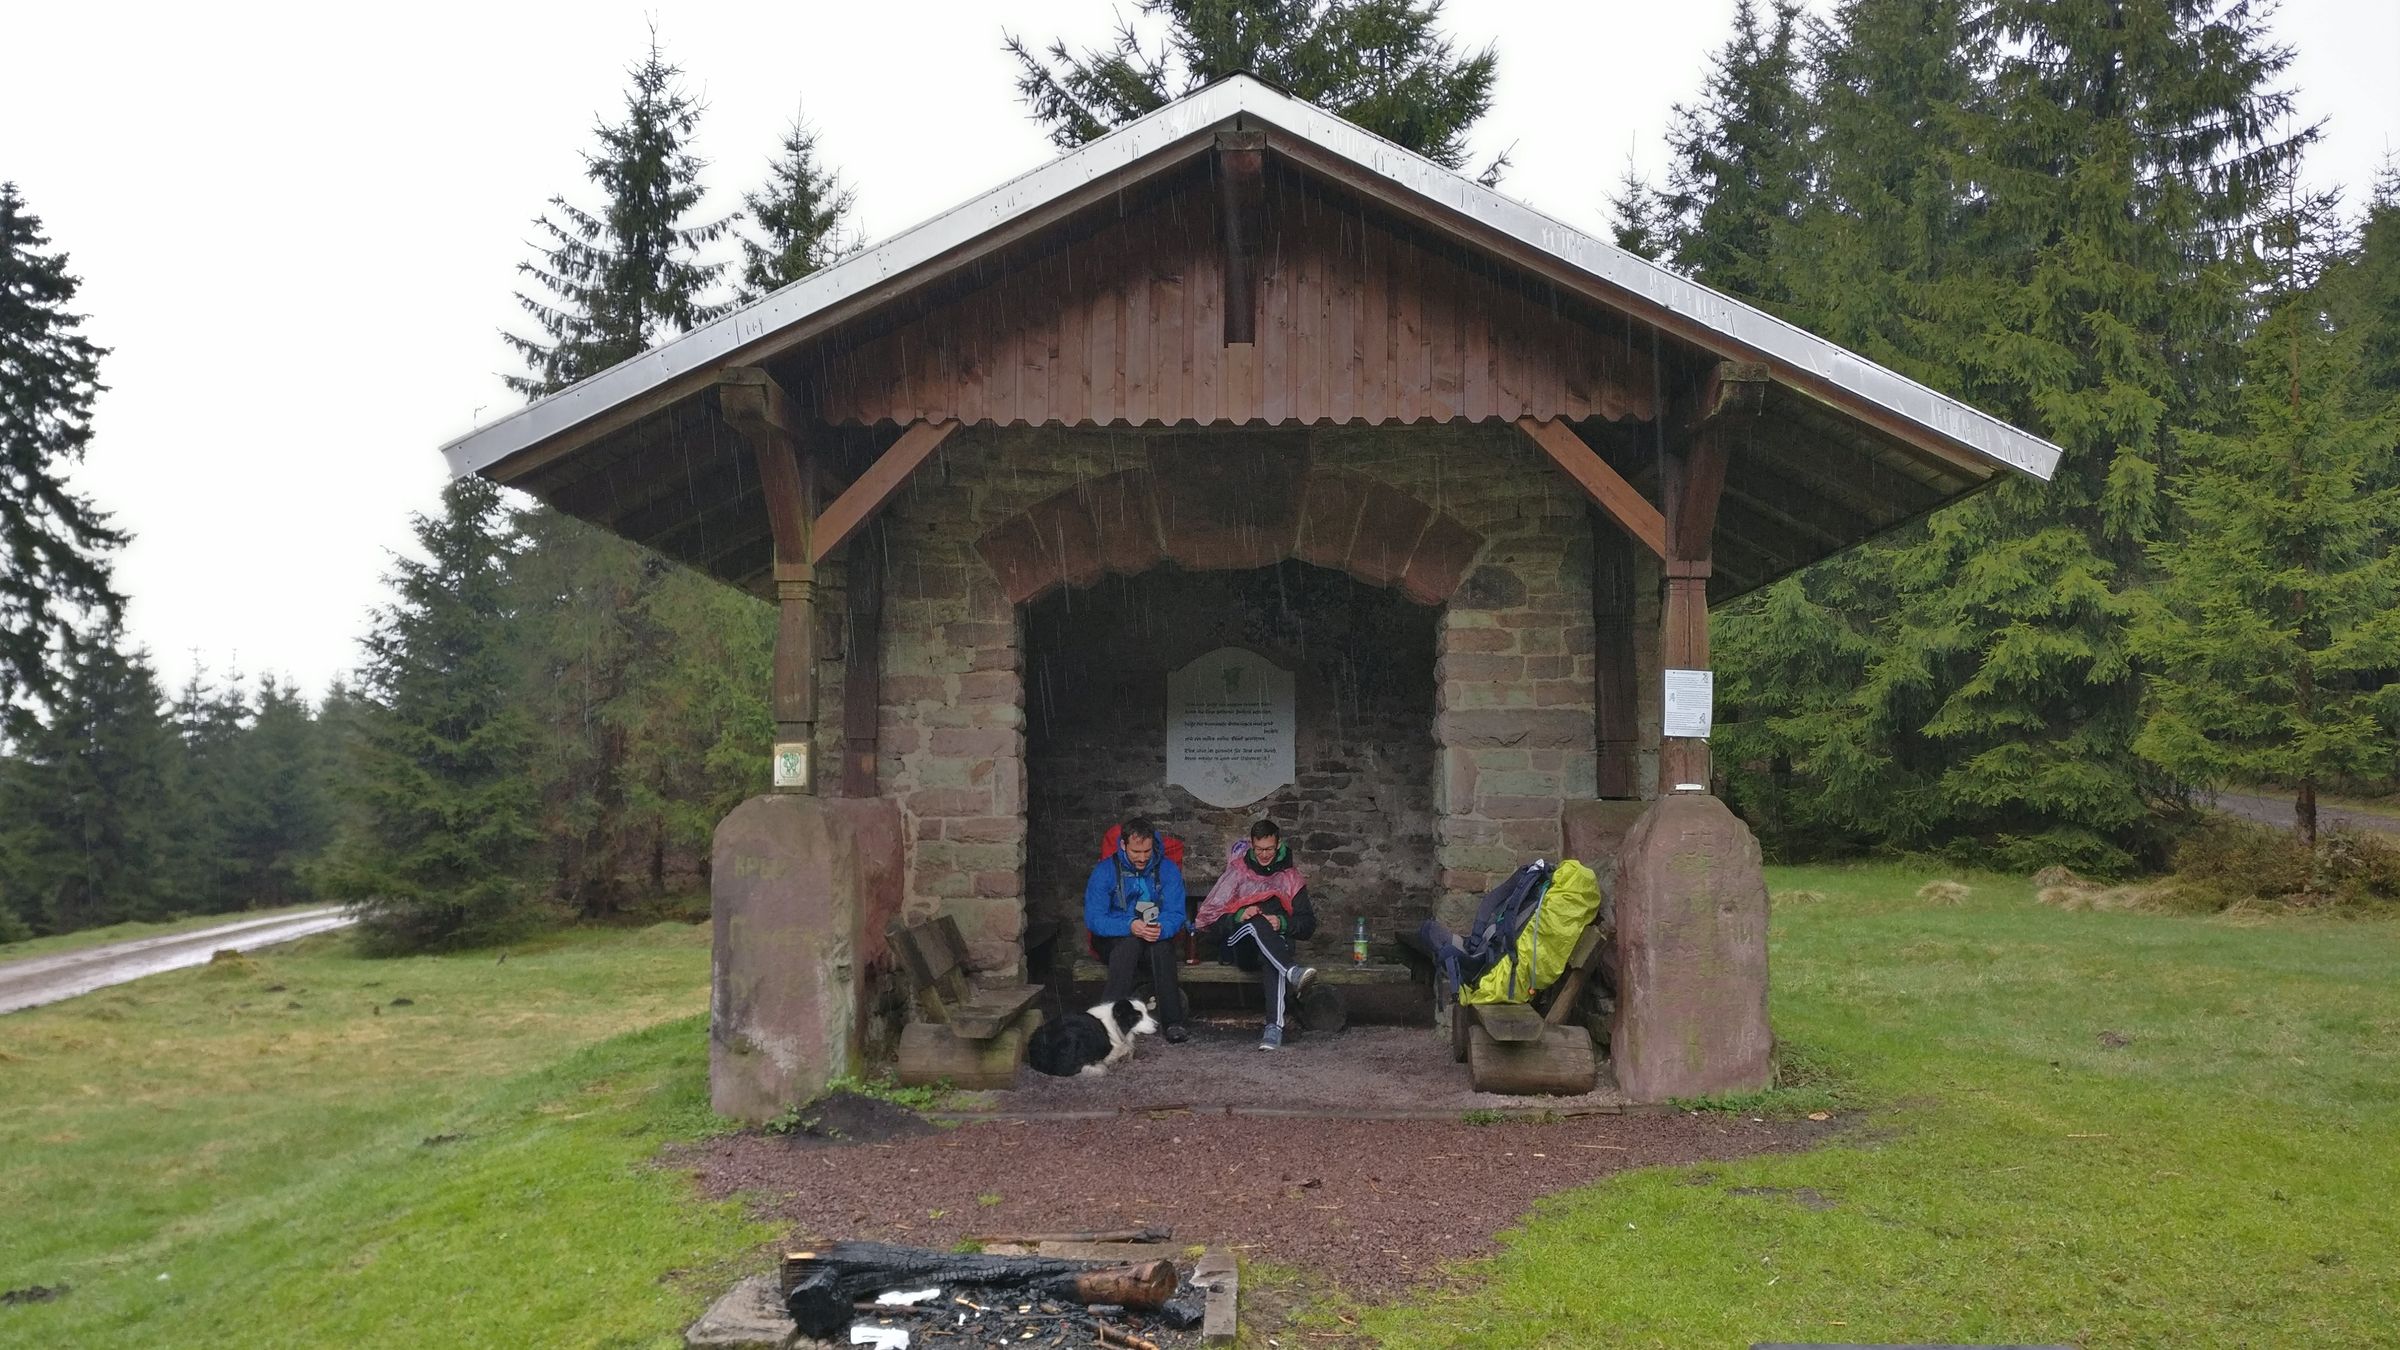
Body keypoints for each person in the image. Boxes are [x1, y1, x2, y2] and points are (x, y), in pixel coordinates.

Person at [1193, 819, 1319, 1050]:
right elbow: (1208, 922)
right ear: (1251, 845)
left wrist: (1282, 922)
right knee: (1257, 921)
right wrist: (1239, 915)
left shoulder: (1290, 877)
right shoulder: (1237, 873)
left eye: (1269, 849)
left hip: (1276, 946)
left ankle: (1273, 1028)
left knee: (1273, 956)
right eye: (1259, 849)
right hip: (1241, 946)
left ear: (1278, 845)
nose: (1264, 854)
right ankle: (1291, 971)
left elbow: (1308, 924)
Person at [1084, 815, 1190, 1043]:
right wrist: (1129, 925)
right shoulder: (1104, 871)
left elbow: (1176, 912)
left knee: (1162, 946)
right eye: (1136, 852)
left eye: (1147, 851)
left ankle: (1173, 1022)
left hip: (1152, 935)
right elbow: (1094, 919)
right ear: (1123, 845)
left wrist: (1161, 928)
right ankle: (1107, 1022)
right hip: (1113, 938)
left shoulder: (1167, 870)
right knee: (1129, 945)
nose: (1142, 858)